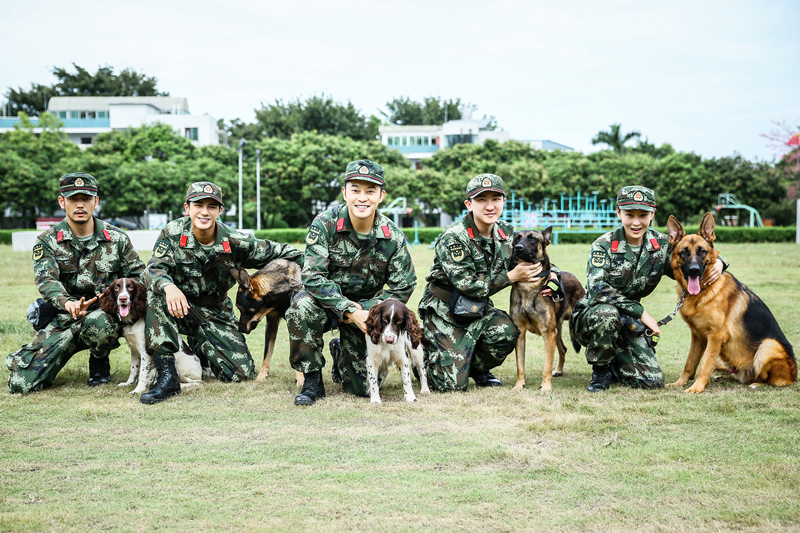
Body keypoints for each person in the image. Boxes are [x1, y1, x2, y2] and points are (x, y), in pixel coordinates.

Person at [140, 181, 302, 404]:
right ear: (187, 208)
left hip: (215, 311)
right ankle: (166, 375)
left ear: (220, 210)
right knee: (157, 293)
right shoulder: (172, 233)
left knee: (241, 374)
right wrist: (169, 287)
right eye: (198, 205)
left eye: (211, 206)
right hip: (180, 307)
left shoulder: (235, 241)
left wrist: (315, 265)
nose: (204, 212)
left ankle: (201, 347)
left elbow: (285, 252)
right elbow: (152, 270)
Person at [570, 185, 726, 392]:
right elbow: (597, 289)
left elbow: (692, 259)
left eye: (643, 215)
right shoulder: (603, 245)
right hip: (593, 317)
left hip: (628, 322)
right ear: (618, 213)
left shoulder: (662, 245)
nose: (636, 222)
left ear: (652, 214)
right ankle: (601, 371)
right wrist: (641, 313)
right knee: (607, 314)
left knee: (651, 382)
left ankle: (616, 359)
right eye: (629, 215)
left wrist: (720, 263)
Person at [287, 159, 416, 406]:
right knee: (300, 307)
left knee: (363, 390)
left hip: (368, 313)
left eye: (370, 191)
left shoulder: (392, 236)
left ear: (381, 196)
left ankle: (340, 352)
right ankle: (312, 381)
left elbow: (403, 286)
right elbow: (312, 276)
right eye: (355, 190)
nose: (362, 198)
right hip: (324, 304)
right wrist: (348, 310)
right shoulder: (325, 224)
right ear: (345, 193)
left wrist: (367, 311)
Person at [6, 173, 145, 394]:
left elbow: (139, 277)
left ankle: (99, 361)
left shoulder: (117, 238)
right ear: (62, 202)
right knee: (20, 384)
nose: (80, 205)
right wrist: (68, 303)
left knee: (101, 324)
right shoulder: (48, 240)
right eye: (73, 199)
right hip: (64, 317)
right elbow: (46, 280)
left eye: (86, 198)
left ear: (95, 202)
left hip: (103, 315)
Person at [419, 174, 551, 392]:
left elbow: (531, 257)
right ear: (469, 204)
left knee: (508, 332)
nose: (490, 206)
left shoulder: (506, 232)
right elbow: (467, 285)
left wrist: (551, 274)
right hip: (446, 310)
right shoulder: (455, 237)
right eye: (481, 200)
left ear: (503, 201)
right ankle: (428, 358)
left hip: (477, 308)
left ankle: (475, 368)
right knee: (450, 387)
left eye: (495, 199)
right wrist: (511, 277)